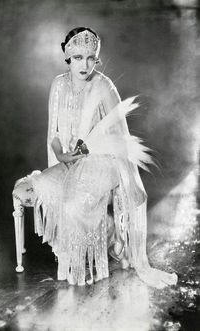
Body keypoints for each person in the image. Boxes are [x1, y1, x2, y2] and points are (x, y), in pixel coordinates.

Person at [31, 27, 178, 288]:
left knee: (74, 204)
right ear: (68, 57)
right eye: (78, 58)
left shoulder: (103, 85)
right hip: (70, 159)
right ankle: (102, 241)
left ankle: (87, 260)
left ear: (96, 58)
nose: (85, 65)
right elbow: (53, 133)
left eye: (91, 58)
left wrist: (94, 153)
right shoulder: (58, 85)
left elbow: (120, 136)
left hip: (103, 159)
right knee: (44, 185)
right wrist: (61, 155)